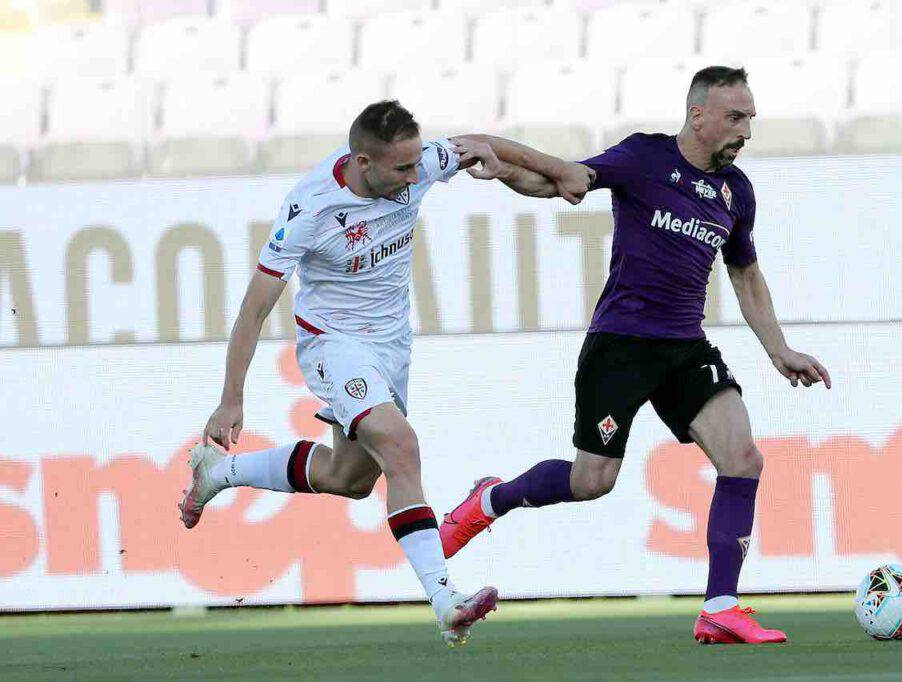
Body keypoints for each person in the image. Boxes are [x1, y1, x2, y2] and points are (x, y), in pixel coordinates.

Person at [439, 67, 832, 645]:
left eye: (750, 118)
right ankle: (490, 499)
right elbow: (562, 181)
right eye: (735, 117)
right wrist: (500, 163)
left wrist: (779, 349)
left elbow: (745, 272)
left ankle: (720, 607)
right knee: (592, 480)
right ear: (697, 115)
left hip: (685, 347)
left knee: (743, 459)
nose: (746, 130)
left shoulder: (736, 191)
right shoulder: (644, 157)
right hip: (620, 345)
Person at [177, 100, 592, 646]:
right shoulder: (310, 208)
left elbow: (482, 143)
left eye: (419, 162)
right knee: (400, 446)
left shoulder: (417, 162)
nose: (416, 175)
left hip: (392, 346)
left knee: (348, 479)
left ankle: (218, 475)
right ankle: (446, 601)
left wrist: (559, 170)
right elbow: (254, 308)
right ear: (363, 162)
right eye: (402, 168)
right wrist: (231, 399)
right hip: (334, 344)